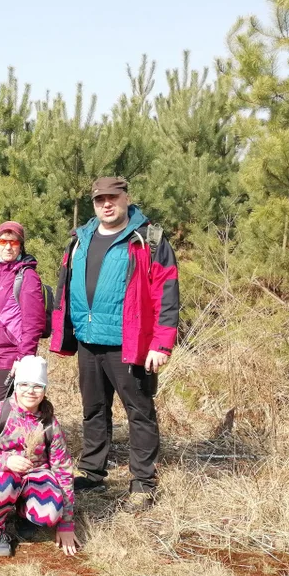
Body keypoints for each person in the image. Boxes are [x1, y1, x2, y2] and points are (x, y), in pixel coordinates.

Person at [50, 177, 180, 510]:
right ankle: (93, 473)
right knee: (94, 410)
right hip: (88, 341)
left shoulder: (147, 239)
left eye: (113, 197)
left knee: (139, 413)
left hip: (129, 343)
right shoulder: (80, 239)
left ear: (126, 198)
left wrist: (160, 344)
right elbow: (66, 287)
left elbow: (166, 292)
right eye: (100, 200)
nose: (107, 204)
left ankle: (142, 482)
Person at [0, 355, 77, 558]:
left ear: (45, 390)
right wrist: (5, 461)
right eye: (24, 384)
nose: (30, 391)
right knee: (4, 484)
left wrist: (66, 523)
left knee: (50, 513)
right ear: (16, 385)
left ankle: (23, 514)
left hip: (36, 475)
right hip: (3, 474)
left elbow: (62, 470)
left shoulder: (49, 423)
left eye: (37, 386)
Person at [0, 221, 47, 405]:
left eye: (14, 242)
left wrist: (23, 358)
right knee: (7, 410)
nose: (8, 247)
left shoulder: (27, 276)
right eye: (3, 242)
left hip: (11, 356)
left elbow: (34, 322)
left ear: (21, 246)